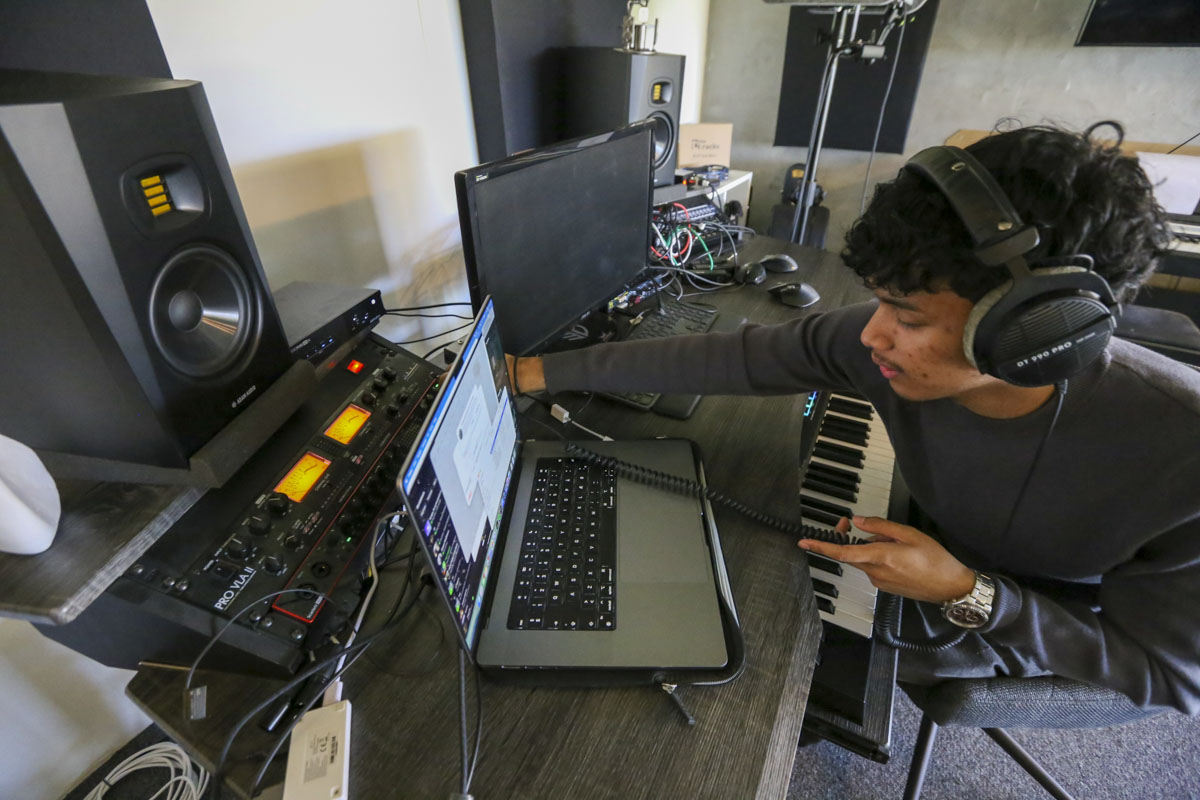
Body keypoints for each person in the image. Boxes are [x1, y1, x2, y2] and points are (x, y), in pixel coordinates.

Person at [507, 122, 1200, 715]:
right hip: (935, 545)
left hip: (1029, 618)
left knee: (753, 673)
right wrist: (541, 372)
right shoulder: (878, 341)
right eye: (880, 302)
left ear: (1033, 329)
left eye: (909, 318)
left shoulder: (1182, 453)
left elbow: (1170, 677)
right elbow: (738, 358)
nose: (872, 336)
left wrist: (972, 594)